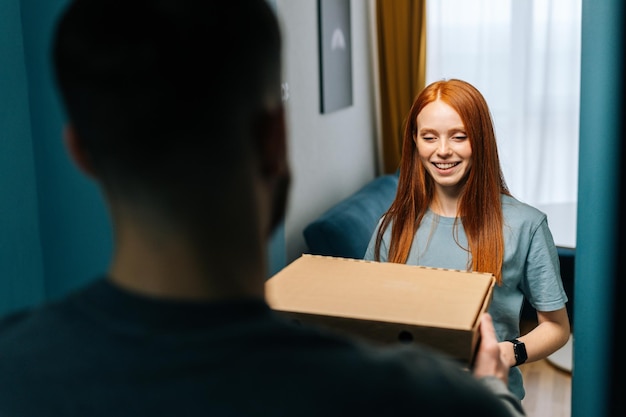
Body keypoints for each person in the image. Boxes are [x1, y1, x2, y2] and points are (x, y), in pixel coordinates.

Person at [0, 1, 525, 416]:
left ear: (81, 153)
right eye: (429, 136)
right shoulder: (426, 399)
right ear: (275, 140)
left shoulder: (13, 369)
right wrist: (493, 394)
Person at [364, 78, 571, 401]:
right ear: (414, 142)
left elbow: (557, 328)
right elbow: (365, 315)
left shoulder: (526, 225)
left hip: (486, 400)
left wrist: (507, 353)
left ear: (481, 140)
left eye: (459, 137)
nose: (443, 151)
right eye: (429, 137)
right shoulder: (391, 227)